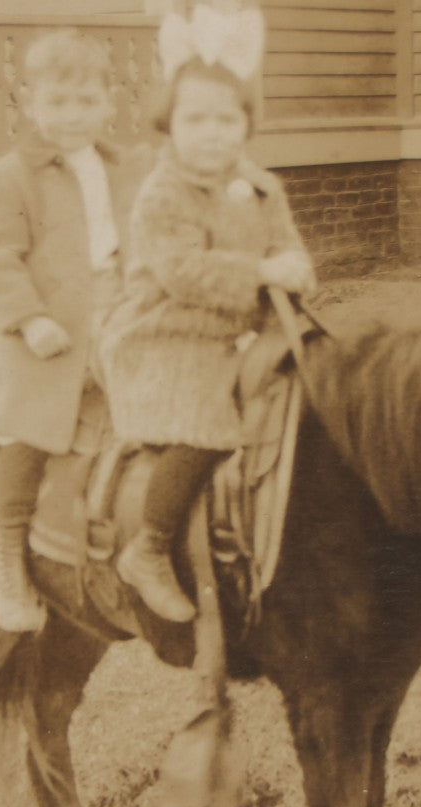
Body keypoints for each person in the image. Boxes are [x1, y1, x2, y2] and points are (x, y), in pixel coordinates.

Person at [100, 2, 315, 623]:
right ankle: (149, 548)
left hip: (243, 330)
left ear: (247, 125)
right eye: (195, 119)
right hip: (167, 332)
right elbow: (183, 273)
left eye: (227, 119)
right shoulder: (163, 192)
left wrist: (297, 268)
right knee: (205, 422)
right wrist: (261, 273)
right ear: (168, 125)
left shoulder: (263, 187)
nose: (213, 132)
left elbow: (286, 247)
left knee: (313, 394)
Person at [0, 30, 151, 633]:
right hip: (47, 333)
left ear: (109, 103)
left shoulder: (127, 168)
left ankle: (154, 542)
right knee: (29, 437)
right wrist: (30, 317)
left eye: (86, 101)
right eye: (58, 102)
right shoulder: (8, 177)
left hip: (120, 317)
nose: (73, 115)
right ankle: (10, 558)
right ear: (32, 104)